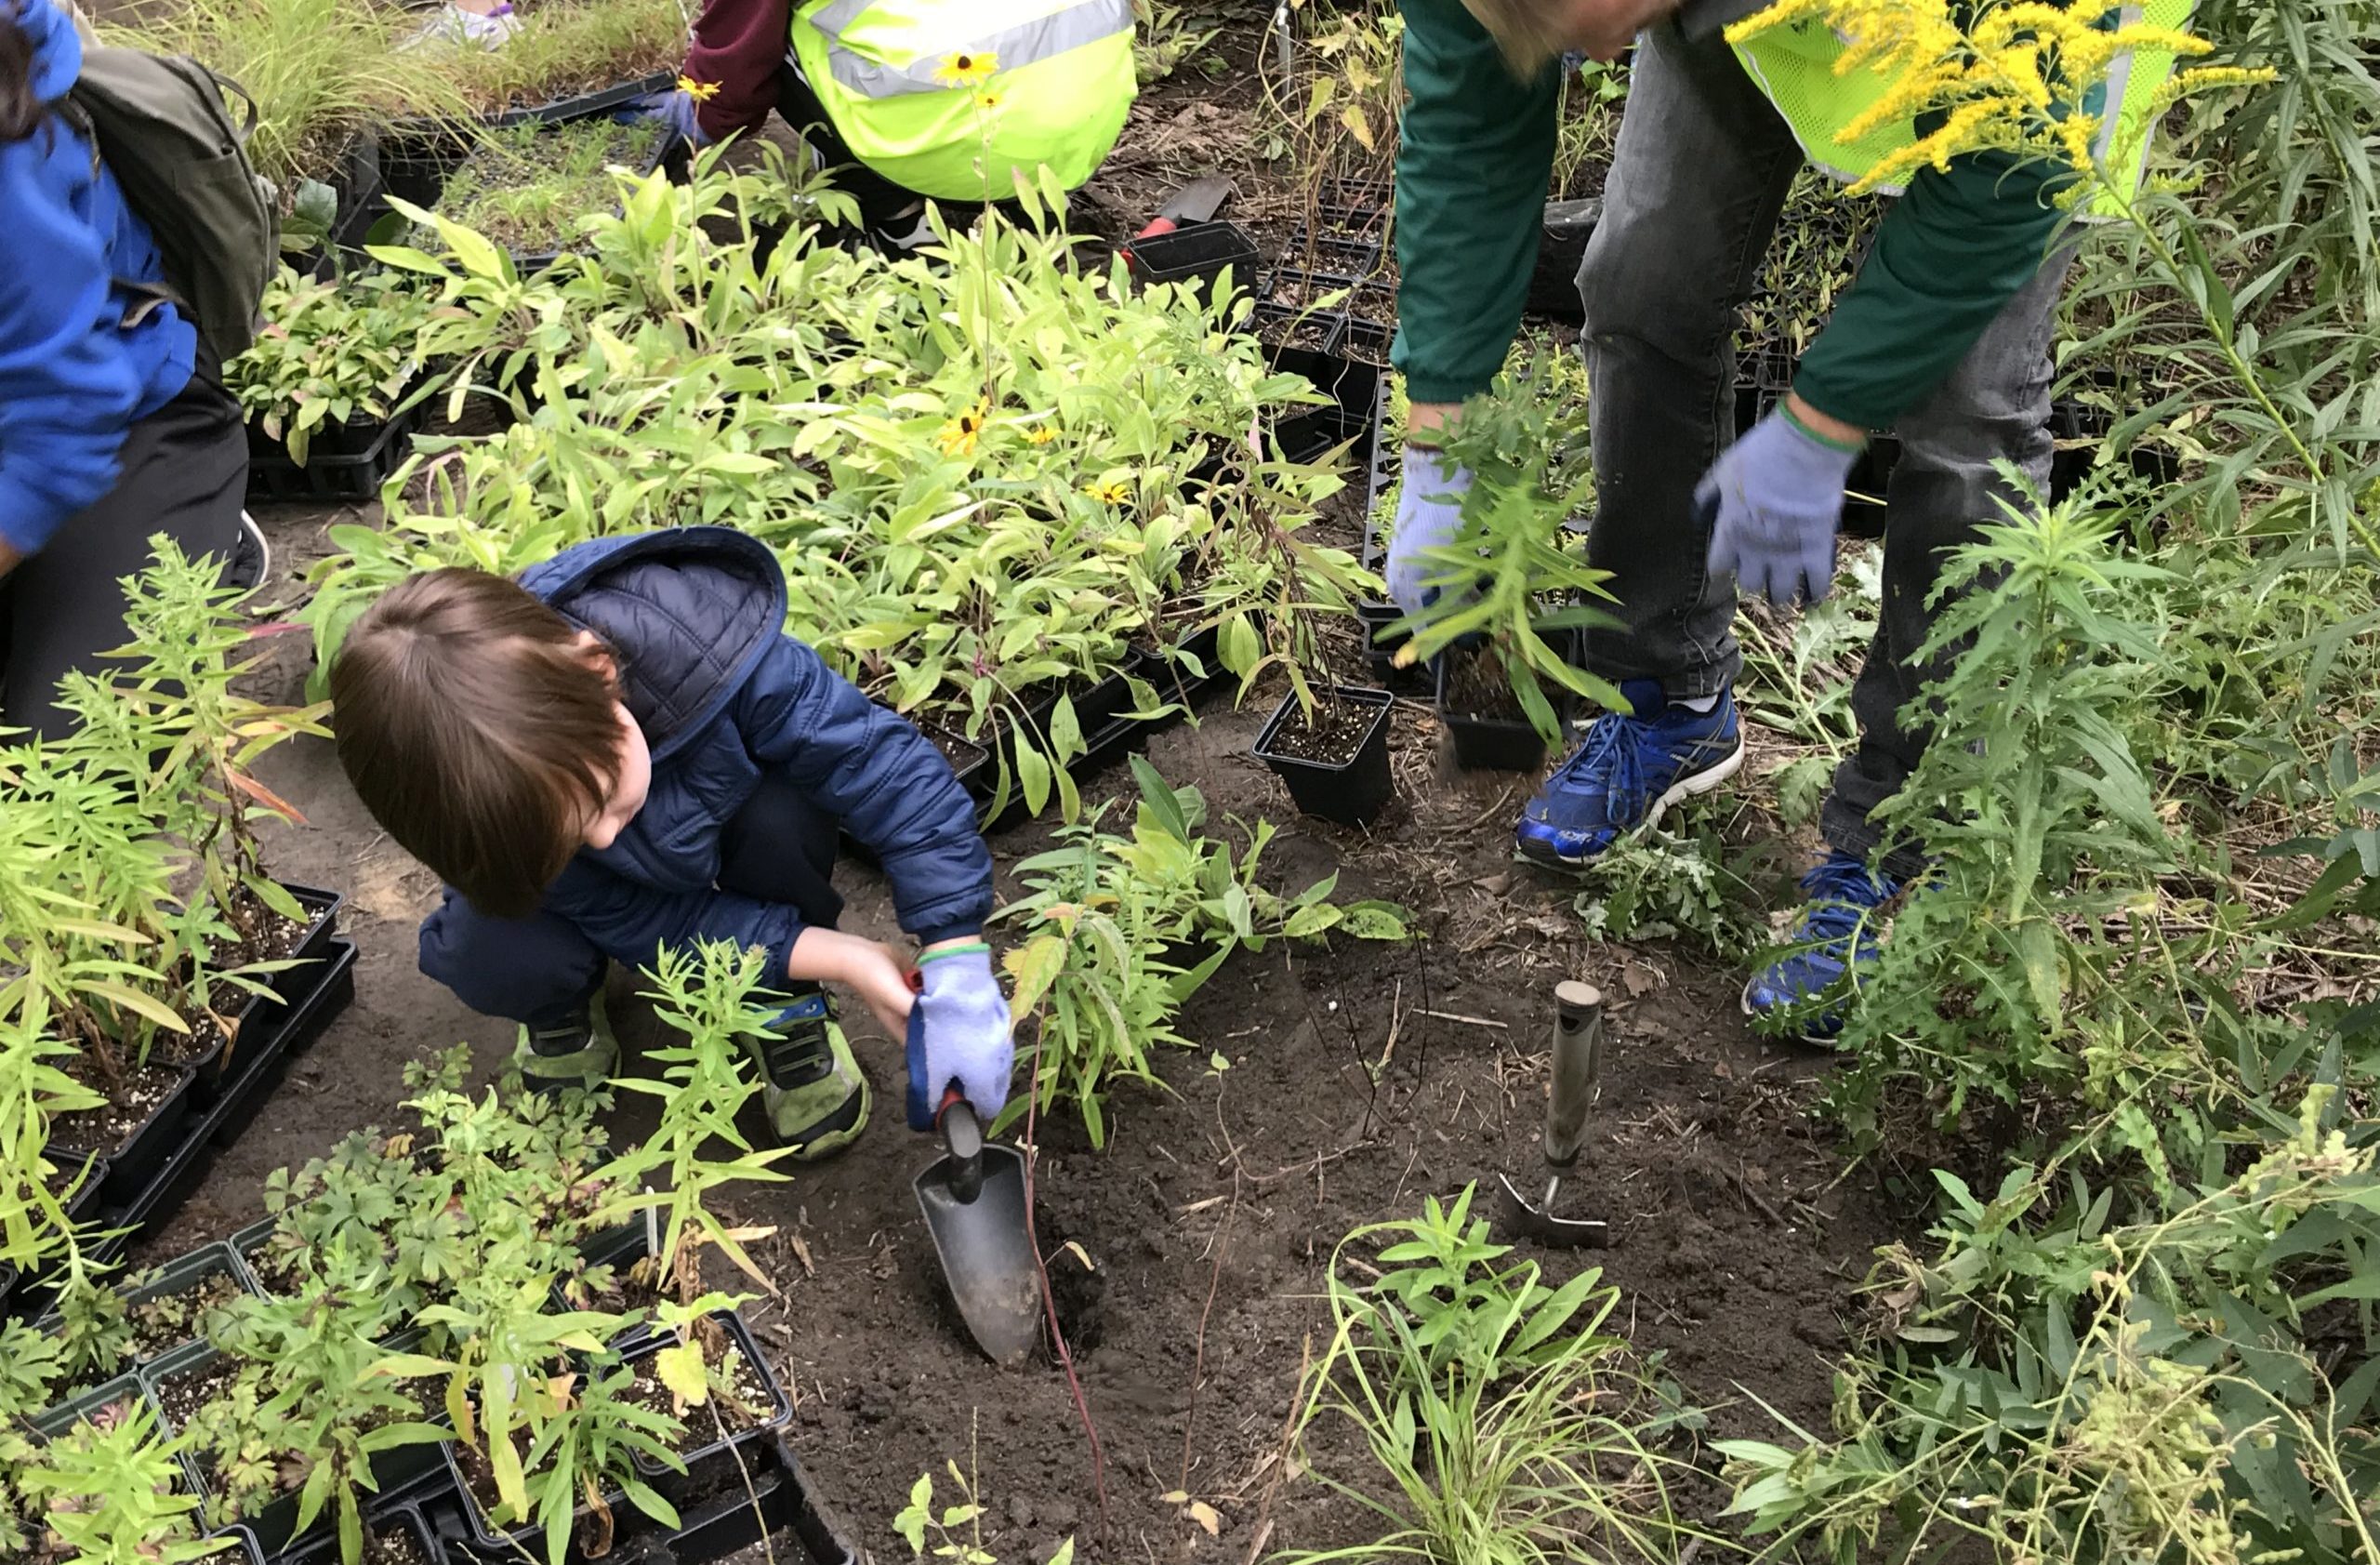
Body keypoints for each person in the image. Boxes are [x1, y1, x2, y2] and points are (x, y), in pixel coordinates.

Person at [1386, 0, 2187, 1039]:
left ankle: (1902, 844)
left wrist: (1819, 422)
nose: (1587, 60)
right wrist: (1437, 438)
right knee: (1641, 281)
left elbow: (2012, 170)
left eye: (1576, 20)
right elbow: (1471, 112)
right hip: (1774, 18)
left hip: (2039, 59)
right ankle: (1664, 691)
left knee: (1964, 413)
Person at [328, 526, 1014, 1159]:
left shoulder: (709, 648)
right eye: (566, 839)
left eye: (595, 797)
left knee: (782, 814)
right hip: (615, 899)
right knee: (488, 946)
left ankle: (778, 1000)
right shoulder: (497, 800)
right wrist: (850, 957)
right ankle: (560, 1003)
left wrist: (953, 948)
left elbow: (884, 770)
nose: (600, 834)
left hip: (727, 840)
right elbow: (653, 924)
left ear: (599, 672)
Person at [0, 0, 264, 740]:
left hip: (124, 411)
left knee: (70, 759)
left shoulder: (11, 148)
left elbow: (62, 420)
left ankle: (191, 522)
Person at [643, 0, 1135, 239]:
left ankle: (896, 221)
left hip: (965, 145)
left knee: (777, 35)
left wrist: (702, 118)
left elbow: (736, 67)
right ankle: (1036, 209)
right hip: (1086, 123)